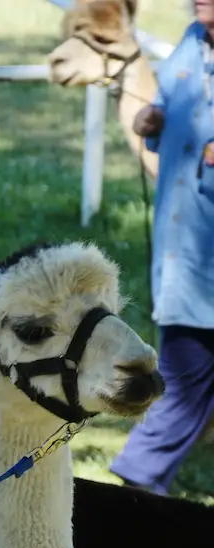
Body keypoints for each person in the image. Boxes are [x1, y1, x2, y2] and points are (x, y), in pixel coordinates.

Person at [107, 0, 214, 495]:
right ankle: (140, 491)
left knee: (182, 384)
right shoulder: (191, 44)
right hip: (186, 259)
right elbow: (172, 116)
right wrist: (152, 121)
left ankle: (138, 489)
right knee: (183, 374)